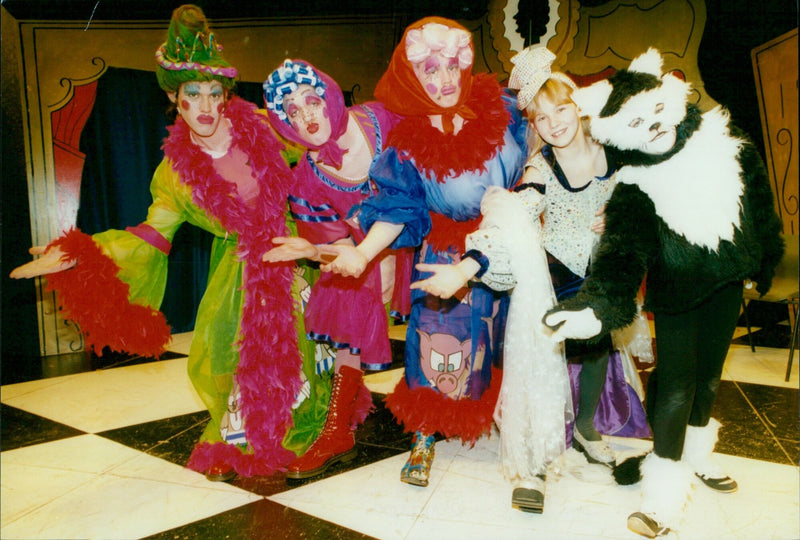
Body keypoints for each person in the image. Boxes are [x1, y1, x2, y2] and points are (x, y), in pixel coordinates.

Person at [10, 4, 328, 481]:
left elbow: (322, 162)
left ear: (226, 96)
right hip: (239, 268)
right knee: (229, 354)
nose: (203, 105)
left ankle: (304, 432)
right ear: (175, 99)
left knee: (305, 353)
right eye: (192, 94)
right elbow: (151, 234)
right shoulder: (176, 172)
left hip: (297, 256)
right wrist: (79, 254)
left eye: (213, 93)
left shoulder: (264, 128)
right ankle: (246, 440)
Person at [319, 17, 528, 488]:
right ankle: (425, 432)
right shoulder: (408, 143)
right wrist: (363, 253)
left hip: (511, 246)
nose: (445, 79)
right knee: (438, 340)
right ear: (412, 76)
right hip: (445, 252)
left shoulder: (507, 108)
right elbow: (398, 207)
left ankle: (500, 419)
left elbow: (542, 155)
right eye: (431, 70)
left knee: (506, 339)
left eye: (453, 65)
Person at [462, 45, 652, 513]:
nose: (554, 124)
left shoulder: (618, 153)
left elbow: (651, 195)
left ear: (578, 105)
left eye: (560, 109)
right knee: (550, 353)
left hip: (607, 272)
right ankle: (541, 460)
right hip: (559, 272)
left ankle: (586, 430)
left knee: (598, 349)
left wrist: (623, 212)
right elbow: (518, 210)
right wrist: (471, 263)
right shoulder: (540, 166)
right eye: (541, 118)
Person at [261, 59, 412, 479]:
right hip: (365, 251)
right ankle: (336, 430)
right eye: (291, 111)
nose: (307, 116)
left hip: (426, 233)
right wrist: (314, 251)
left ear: (329, 95)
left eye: (311, 100)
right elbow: (337, 251)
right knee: (346, 297)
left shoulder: (384, 118)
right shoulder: (306, 182)